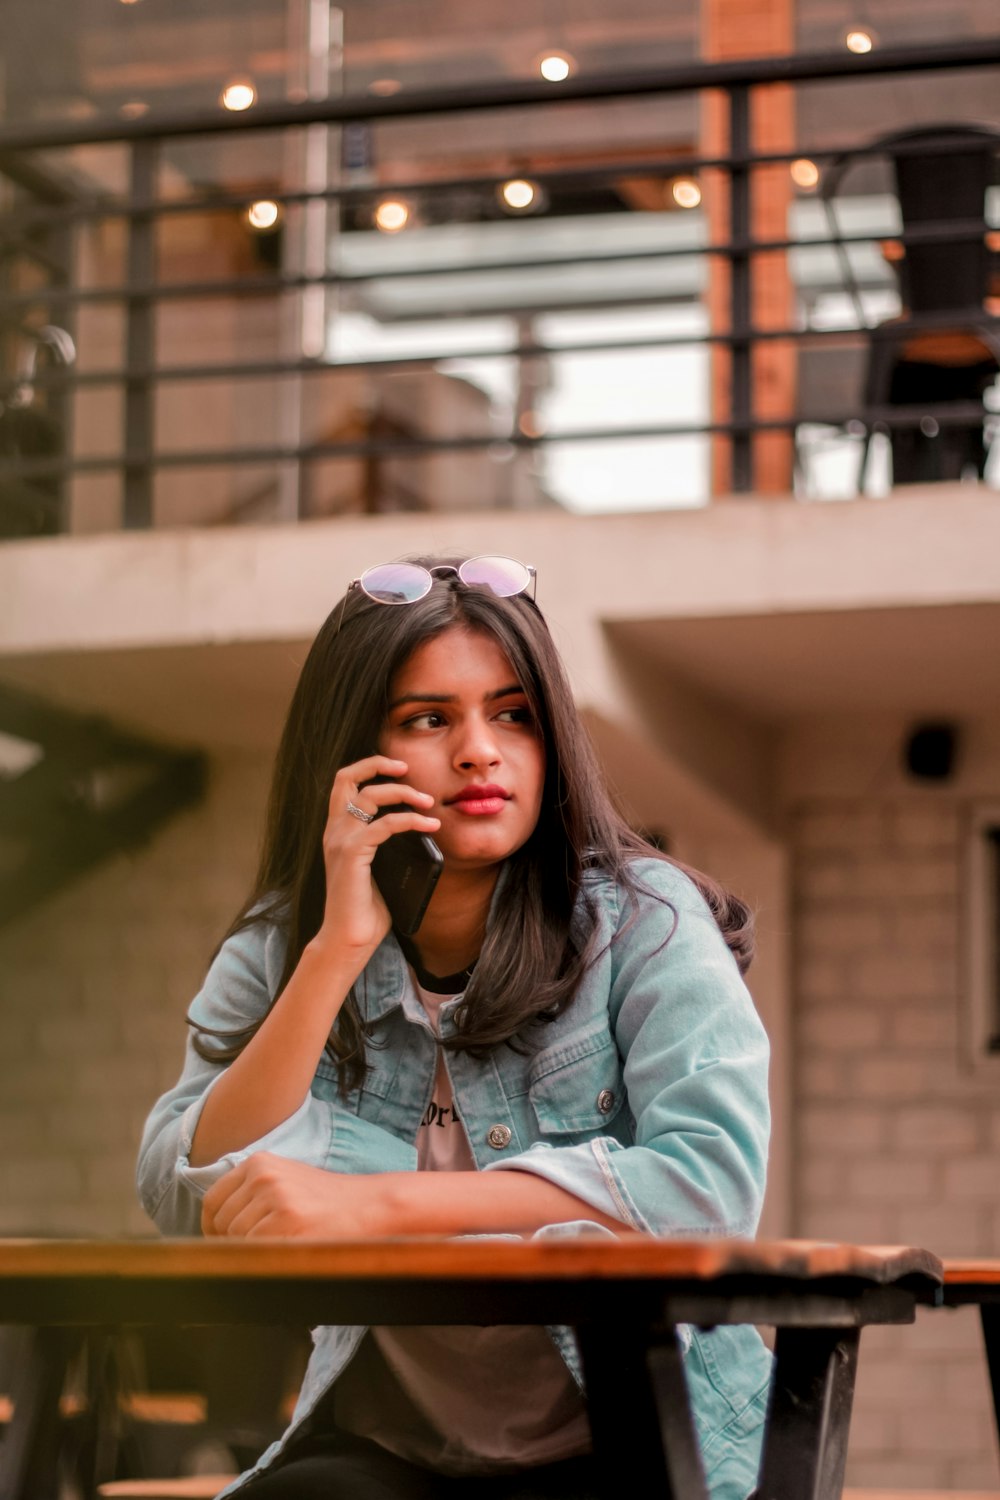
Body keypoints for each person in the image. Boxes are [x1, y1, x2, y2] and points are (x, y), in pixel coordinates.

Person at [138, 553, 773, 1500]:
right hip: (401, 1451)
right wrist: (335, 955)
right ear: (353, 749)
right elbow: (182, 1187)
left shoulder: (647, 922)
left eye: (512, 714)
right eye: (429, 719)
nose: (481, 751)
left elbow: (709, 1184)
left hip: (635, 1442)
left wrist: (376, 1202)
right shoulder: (284, 947)